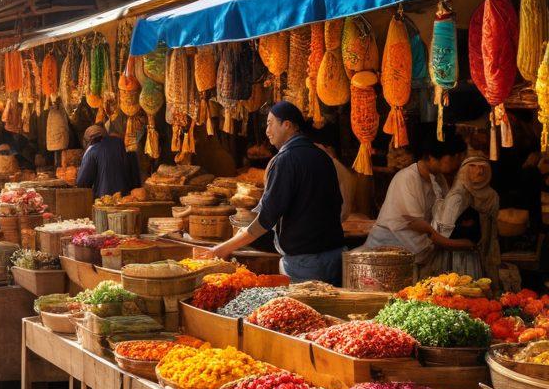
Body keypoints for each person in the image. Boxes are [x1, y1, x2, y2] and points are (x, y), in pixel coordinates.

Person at [211, 101, 346, 284]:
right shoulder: (323, 157)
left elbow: (266, 219)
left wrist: (224, 248)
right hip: (336, 257)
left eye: (270, 123)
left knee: (306, 312)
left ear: (287, 125)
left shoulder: (285, 160)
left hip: (305, 264)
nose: (267, 130)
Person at [365, 133, 470, 279]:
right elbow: (415, 224)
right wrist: (451, 243)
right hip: (387, 252)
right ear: (432, 157)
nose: (457, 162)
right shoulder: (407, 178)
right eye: (454, 157)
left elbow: (441, 217)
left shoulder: (439, 179)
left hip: (414, 251)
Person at [434, 154, 500, 282]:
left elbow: (493, 229)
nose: (479, 171)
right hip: (458, 254)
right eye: (473, 167)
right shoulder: (457, 196)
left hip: (484, 250)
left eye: (482, 167)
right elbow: (445, 232)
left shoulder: (492, 196)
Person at [76, 125, 140, 198]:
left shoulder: (92, 150)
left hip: (104, 199)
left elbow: (82, 183)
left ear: (88, 140)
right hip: (127, 198)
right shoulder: (124, 144)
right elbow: (135, 176)